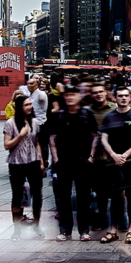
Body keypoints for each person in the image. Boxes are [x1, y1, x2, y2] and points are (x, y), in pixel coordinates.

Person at [95, 85, 131, 243]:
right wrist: (113, 154)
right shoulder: (109, 117)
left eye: (126, 96)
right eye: (120, 96)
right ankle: (113, 230)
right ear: (115, 98)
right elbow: (103, 138)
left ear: (130, 97)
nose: (123, 98)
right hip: (114, 162)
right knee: (116, 196)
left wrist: (124, 155)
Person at [47, 86, 96, 241]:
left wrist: (91, 157)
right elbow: (52, 138)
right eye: (66, 95)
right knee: (63, 197)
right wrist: (56, 159)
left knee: (83, 197)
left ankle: (84, 230)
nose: (69, 98)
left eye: (72, 95)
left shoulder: (87, 114)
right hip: (63, 161)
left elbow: (95, 135)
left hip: (83, 161)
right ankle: (65, 230)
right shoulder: (58, 115)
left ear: (78, 97)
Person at [3, 92, 45, 238]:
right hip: (16, 163)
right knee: (17, 195)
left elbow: (37, 142)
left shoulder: (34, 122)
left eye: (30, 104)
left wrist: (41, 161)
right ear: (20, 107)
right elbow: (6, 145)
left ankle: (36, 225)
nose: (30, 107)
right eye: (26, 104)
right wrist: (20, 135)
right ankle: (17, 229)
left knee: (37, 194)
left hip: (33, 161)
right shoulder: (10, 123)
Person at [86, 80, 116, 228]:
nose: (98, 95)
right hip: (94, 156)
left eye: (100, 92)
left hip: (112, 155)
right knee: (98, 190)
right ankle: (101, 219)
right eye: (95, 93)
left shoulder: (114, 109)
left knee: (113, 190)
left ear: (105, 93)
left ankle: (117, 221)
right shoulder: (87, 111)